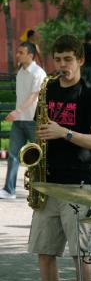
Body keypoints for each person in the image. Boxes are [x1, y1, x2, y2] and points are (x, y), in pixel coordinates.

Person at [21, 34, 91, 281]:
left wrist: (64, 133)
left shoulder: (90, 94)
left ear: (80, 59)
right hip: (47, 181)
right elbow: (42, 130)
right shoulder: (48, 89)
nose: (62, 66)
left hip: (79, 183)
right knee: (45, 251)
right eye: (57, 60)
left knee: (79, 253)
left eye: (68, 60)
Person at [0, 41, 46, 200]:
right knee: (13, 155)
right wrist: (17, 113)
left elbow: (34, 96)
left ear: (30, 55)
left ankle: (40, 190)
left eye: (21, 52)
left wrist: (18, 111)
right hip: (19, 121)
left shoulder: (39, 73)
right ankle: (9, 190)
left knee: (37, 157)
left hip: (34, 121)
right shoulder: (21, 72)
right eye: (18, 51)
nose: (17, 54)